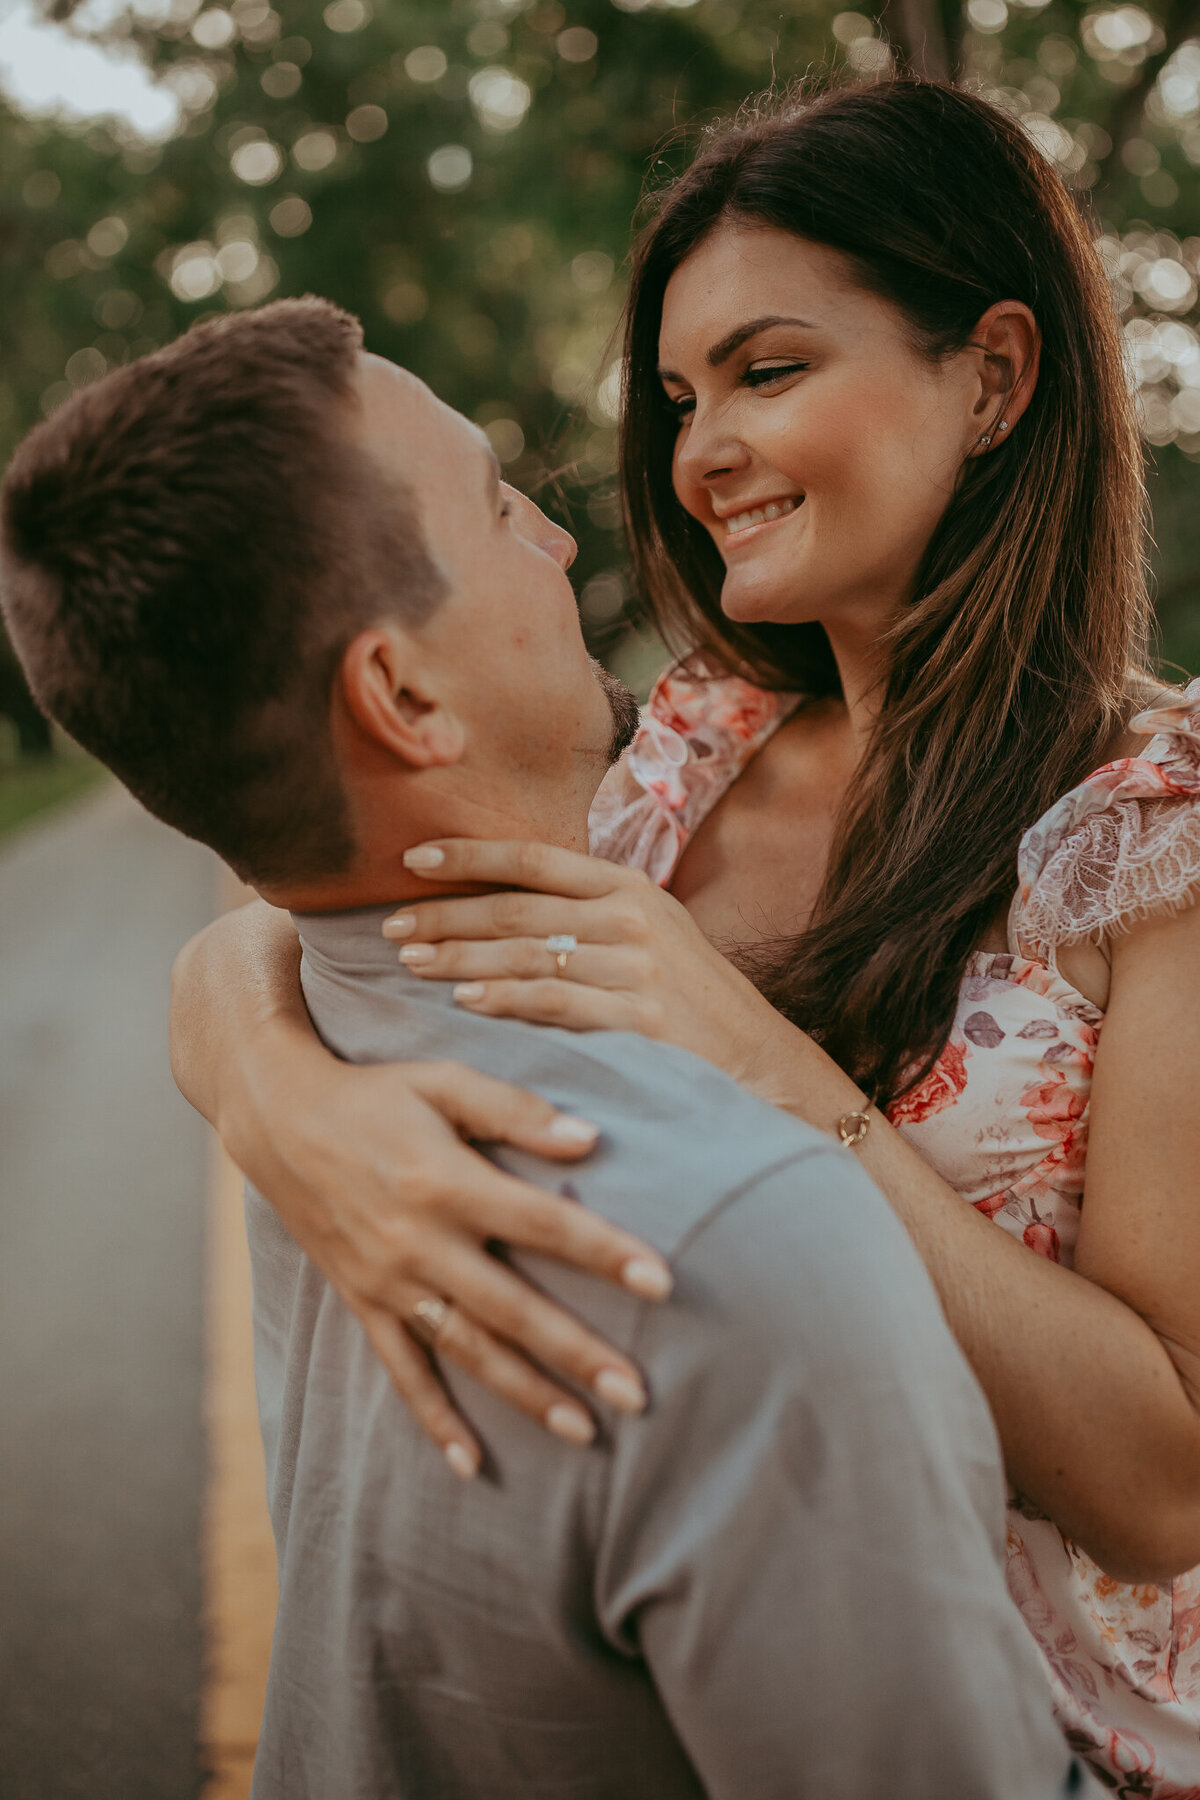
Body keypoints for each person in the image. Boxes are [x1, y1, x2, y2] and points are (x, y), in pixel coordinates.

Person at [161, 80, 1200, 1795]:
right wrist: (281, 1094)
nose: (698, 447)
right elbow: (300, 905)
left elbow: (1167, 1478)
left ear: (997, 377)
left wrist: (772, 1069)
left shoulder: (1150, 838)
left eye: (769, 371)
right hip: (691, 1696)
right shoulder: (670, 765)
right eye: (678, 391)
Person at [0, 298, 1085, 1797]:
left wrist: (258, 1057)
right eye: (503, 508)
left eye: (769, 371)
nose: (568, 538)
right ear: (399, 695)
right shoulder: (747, 1247)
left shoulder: (337, 1018)